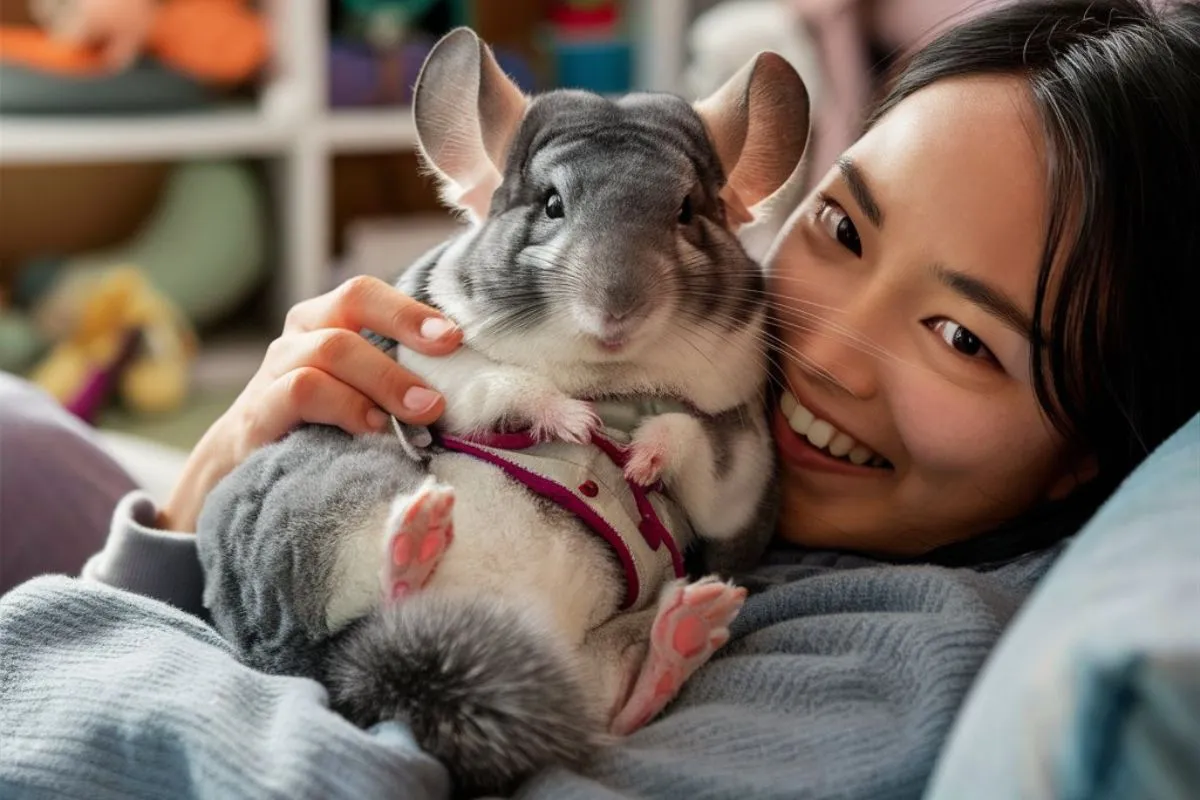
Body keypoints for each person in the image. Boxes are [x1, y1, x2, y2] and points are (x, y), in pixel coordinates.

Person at [2, 1, 1198, 798]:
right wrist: (213, 487)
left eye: (960, 335)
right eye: (838, 225)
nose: (824, 346)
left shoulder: (892, 656)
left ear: (1082, 455)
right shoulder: (715, 390)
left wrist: (129, 596)